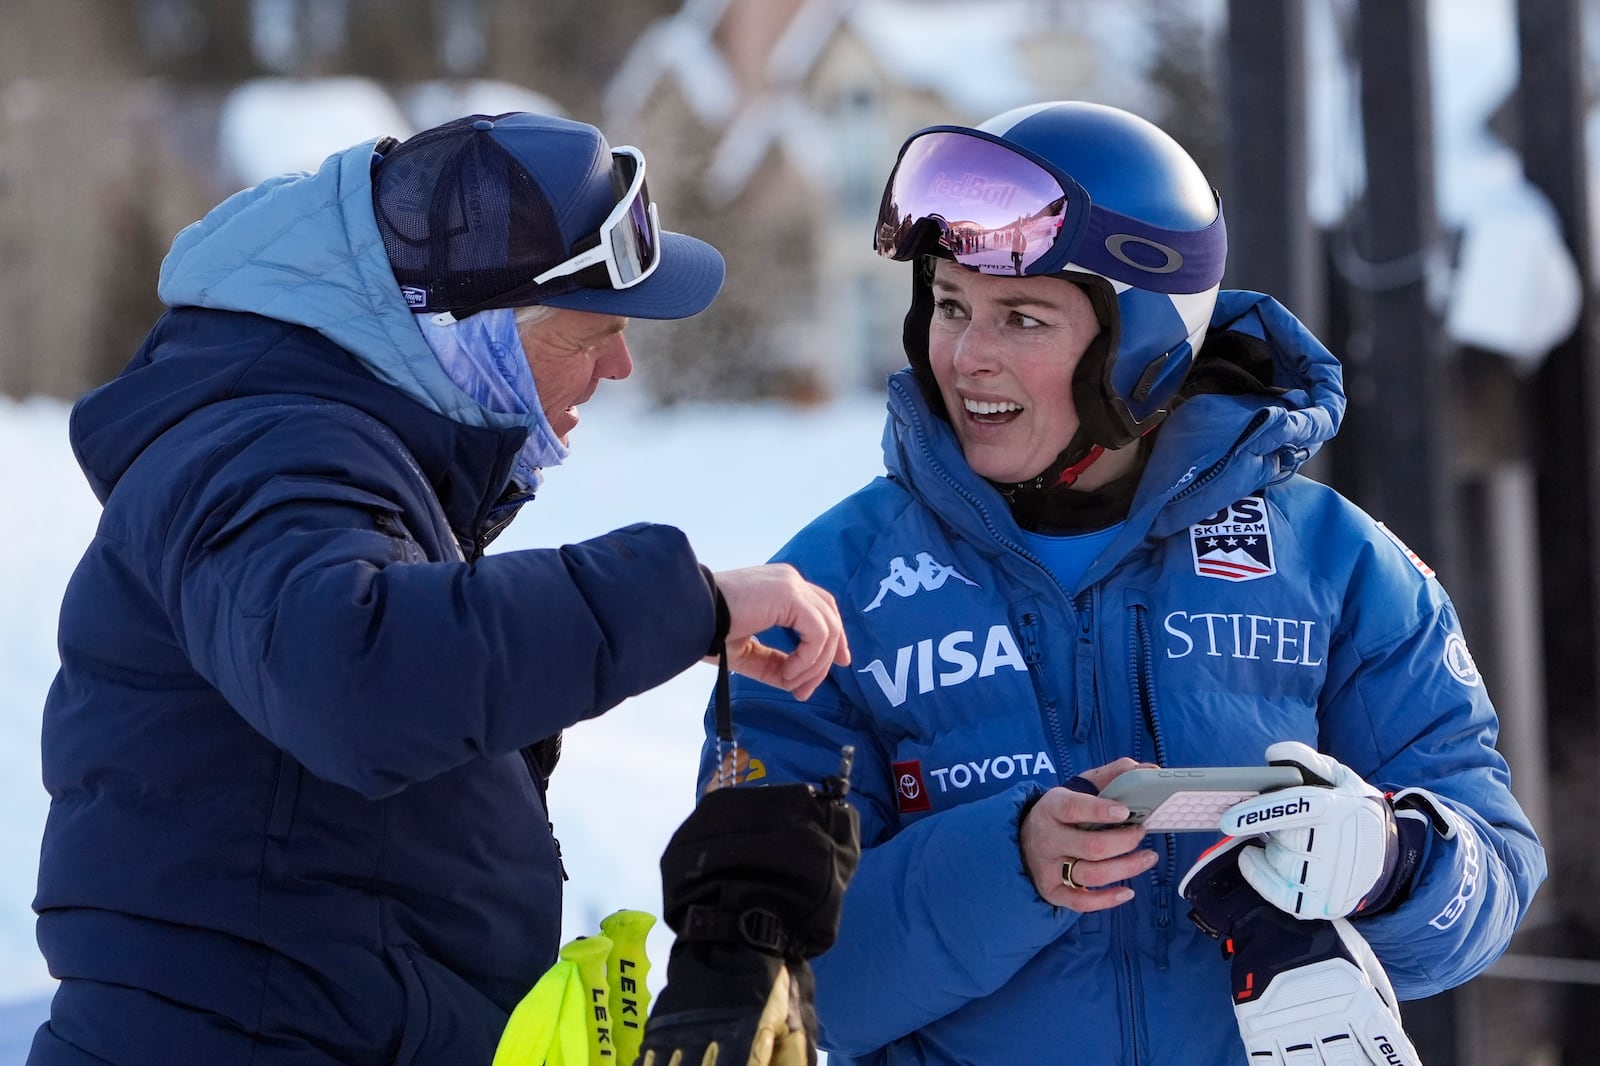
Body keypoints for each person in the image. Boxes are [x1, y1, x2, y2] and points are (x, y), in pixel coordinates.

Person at [699, 100, 1546, 1065]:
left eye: (1022, 317)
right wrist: (1006, 867)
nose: (968, 357)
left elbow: (1495, 888)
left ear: (1142, 348)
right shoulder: (828, 590)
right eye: (949, 306)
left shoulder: (1338, 566)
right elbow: (775, 986)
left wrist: (1390, 864)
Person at [29, 111, 851, 1066]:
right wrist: (680, 600)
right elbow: (351, 673)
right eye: (593, 335)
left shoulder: (330, 452)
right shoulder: (267, 449)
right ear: (474, 334)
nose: (620, 366)